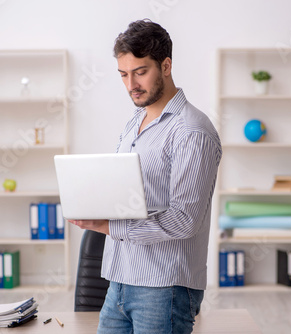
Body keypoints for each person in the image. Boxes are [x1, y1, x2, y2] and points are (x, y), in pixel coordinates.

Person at [68, 19, 222, 334]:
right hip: (120, 279)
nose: (131, 85)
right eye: (123, 74)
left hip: (164, 287)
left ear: (166, 66)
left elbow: (184, 220)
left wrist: (108, 226)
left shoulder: (191, 131)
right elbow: (129, 192)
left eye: (140, 72)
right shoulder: (135, 122)